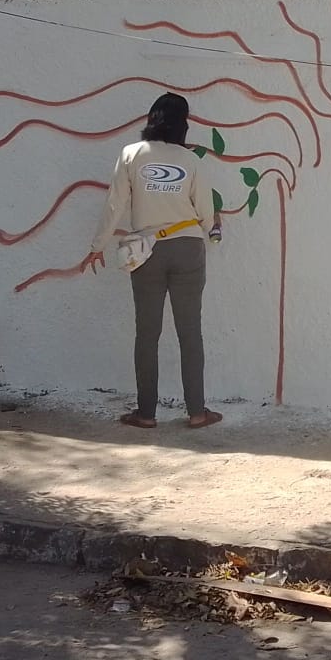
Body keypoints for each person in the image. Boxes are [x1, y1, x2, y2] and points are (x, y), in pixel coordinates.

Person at [84, 92, 223, 430]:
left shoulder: (131, 154)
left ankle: (145, 413)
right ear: (184, 123)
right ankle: (197, 413)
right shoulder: (191, 161)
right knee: (190, 333)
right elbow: (204, 208)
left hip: (146, 251)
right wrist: (213, 229)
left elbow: (115, 204)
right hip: (188, 246)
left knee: (147, 334)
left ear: (152, 118)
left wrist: (97, 245)